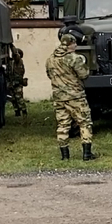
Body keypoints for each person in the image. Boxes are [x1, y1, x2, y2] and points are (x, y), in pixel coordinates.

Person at [45, 31, 95, 160]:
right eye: (74, 44)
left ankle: (65, 156)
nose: (76, 46)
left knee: (62, 125)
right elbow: (84, 74)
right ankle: (87, 154)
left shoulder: (50, 59)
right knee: (84, 123)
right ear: (70, 44)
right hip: (76, 96)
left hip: (59, 98)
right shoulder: (74, 58)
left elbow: (49, 75)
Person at [8, 47, 29, 116]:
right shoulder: (12, 62)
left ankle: (24, 110)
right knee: (13, 98)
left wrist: (11, 46)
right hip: (12, 82)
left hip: (17, 82)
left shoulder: (18, 62)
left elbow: (15, 54)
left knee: (19, 98)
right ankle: (17, 111)